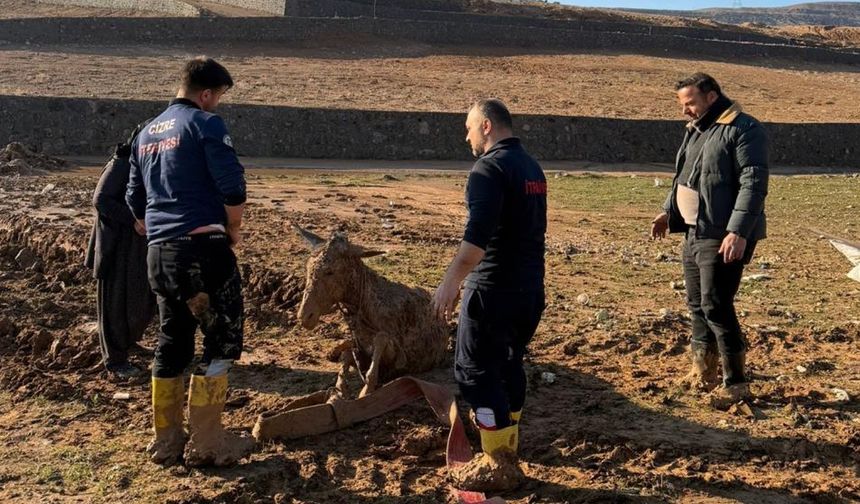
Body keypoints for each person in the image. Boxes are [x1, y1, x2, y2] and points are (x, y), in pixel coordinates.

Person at [126, 56, 252, 466]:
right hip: (203, 250)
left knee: (171, 340)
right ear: (206, 94)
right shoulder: (205, 124)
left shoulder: (144, 133)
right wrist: (233, 229)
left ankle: (166, 440)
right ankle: (208, 442)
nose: (217, 105)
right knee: (221, 340)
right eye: (217, 97)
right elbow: (232, 186)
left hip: (160, 255)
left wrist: (151, 223)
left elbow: (134, 199)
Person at [433, 99, 547, 492]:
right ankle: (509, 447)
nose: (465, 135)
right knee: (510, 365)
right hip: (530, 290)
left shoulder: (488, 168)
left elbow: (476, 241)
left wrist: (450, 282)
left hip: (493, 289)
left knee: (475, 372)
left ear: (486, 125)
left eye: (468, 127)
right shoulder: (531, 167)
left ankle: (497, 462)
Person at [651, 73, 769, 409]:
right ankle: (702, 370)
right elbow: (685, 179)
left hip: (722, 234)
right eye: (683, 105)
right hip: (693, 230)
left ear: (712, 96)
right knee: (697, 304)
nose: (685, 111)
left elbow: (753, 185)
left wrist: (738, 231)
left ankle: (736, 382)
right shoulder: (698, 131)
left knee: (716, 303)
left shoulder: (744, 129)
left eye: (690, 103)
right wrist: (667, 212)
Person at [85, 123, 156, 379]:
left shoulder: (144, 164)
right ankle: (115, 360)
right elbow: (101, 199)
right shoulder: (123, 162)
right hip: (116, 246)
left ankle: (128, 342)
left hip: (136, 245)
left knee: (138, 299)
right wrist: (134, 220)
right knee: (115, 304)